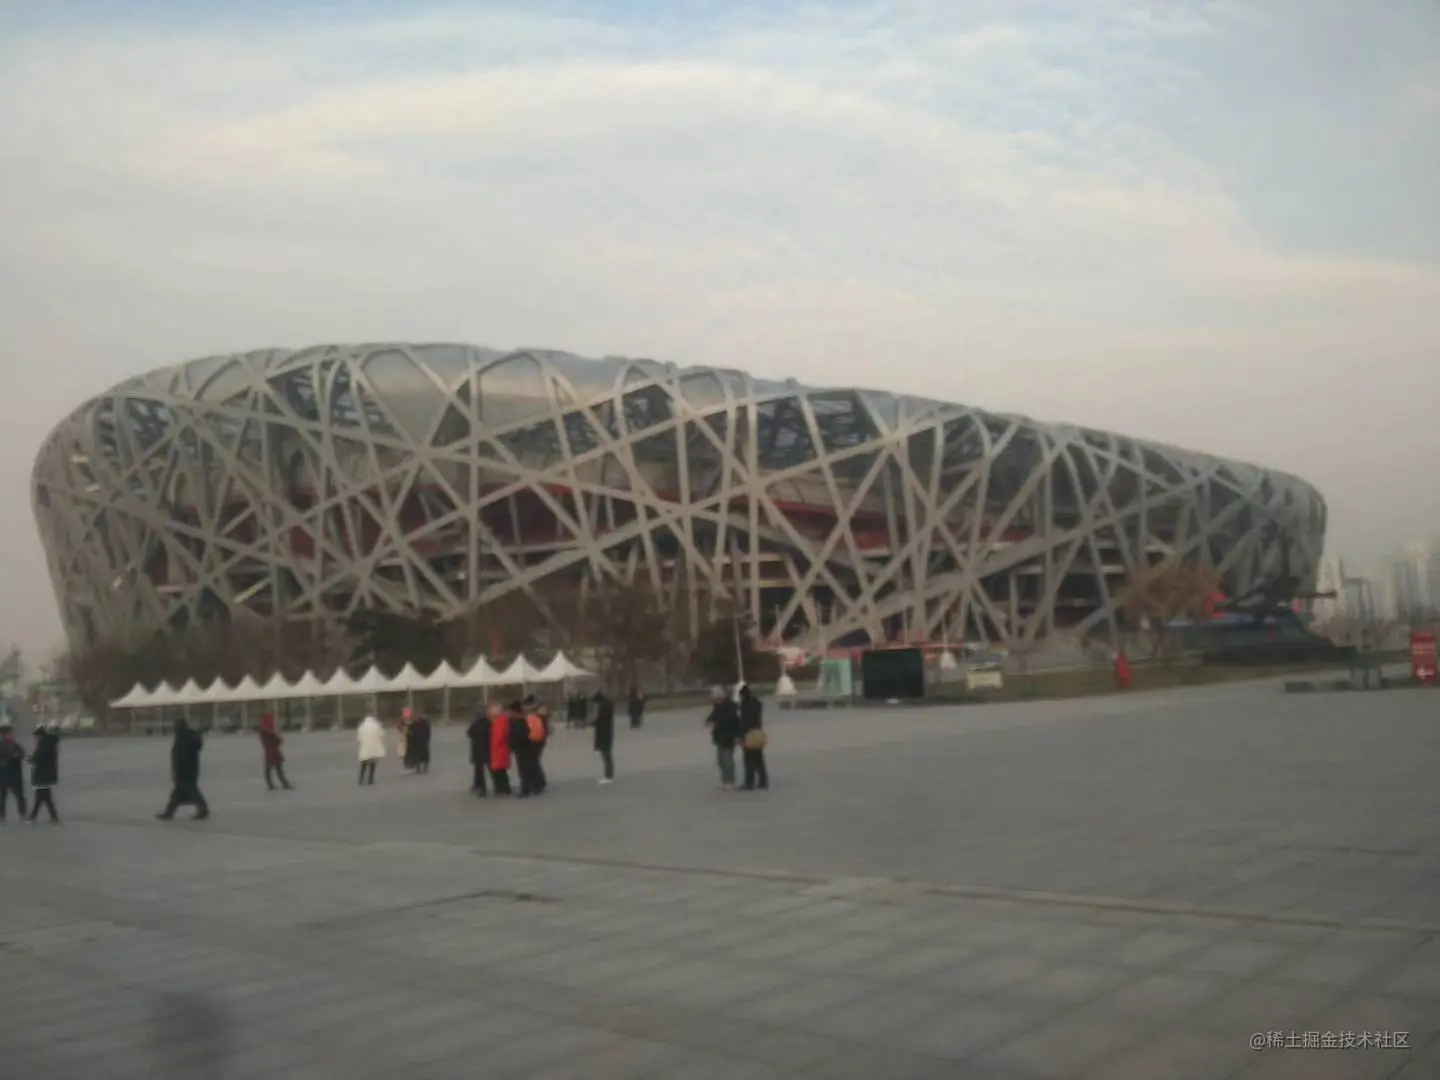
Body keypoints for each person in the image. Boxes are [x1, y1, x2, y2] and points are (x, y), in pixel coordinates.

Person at [157, 717, 209, 820]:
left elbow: (181, 756)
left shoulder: (183, 738)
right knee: (178, 793)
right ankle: (169, 812)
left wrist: (177, 771)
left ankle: (203, 809)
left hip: (184, 770)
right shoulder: (189, 736)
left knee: (190, 790)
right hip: (191, 768)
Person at [703, 686, 740, 791]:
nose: (716, 699)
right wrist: (708, 721)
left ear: (722, 696)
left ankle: (731, 782)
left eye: (717, 697)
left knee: (728, 761)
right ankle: (725, 781)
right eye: (714, 698)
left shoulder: (731, 706)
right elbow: (713, 716)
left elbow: (731, 721)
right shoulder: (717, 707)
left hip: (729, 736)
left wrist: (716, 724)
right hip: (720, 737)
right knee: (721, 761)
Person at [737, 683, 769, 791]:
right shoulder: (757, 704)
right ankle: (763, 781)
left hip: (748, 735)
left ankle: (749, 782)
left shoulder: (745, 706)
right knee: (758, 759)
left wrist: (740, 736)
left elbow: (744, 722)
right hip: (757, 734)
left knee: (748, 759)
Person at [28, 723, 61, 824]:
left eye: (36, 737)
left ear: (40, 736)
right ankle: (53, 817)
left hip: (42, 774)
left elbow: (39, 757)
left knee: (40, 797)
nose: (35, 739)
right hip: (46, 774)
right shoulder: (49, 744)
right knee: (45, 797)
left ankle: (32, 817)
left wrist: (31, 759)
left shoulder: (44, 745)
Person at [0, 724, 28, 823]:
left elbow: (22, 753)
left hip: (15, 775)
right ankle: (2, 817)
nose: (12, 735)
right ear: (4, 735)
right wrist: (8, 759)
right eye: (10, 733)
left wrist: (15, 756)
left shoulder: (15, 745)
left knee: (20, 796)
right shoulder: (1, 745)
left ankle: (22, 814)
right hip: (3, 775)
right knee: (2, 797)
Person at [259, 714, 292, 791]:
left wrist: (277, 736)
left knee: (272, 770)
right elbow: (275, 743)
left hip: (271, 753)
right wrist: (277, 736)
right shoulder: (267, 733)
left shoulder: (265, 733)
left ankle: (274, 785)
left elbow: (275, 743)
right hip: (273, 753)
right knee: (276, 770)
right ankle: (283, 784)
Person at [466, 707, 491, 797]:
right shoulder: (488, 723)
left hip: (478, 749)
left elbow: (469, 733)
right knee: (481, 769)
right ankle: (479, 785)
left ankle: (481, 788)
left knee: (479, 770)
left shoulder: (476, 723)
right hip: (486, 749)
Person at [488, 704, 513, 795]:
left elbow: (500, 735)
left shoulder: (500, 720)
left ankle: (503, 788)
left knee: (499, 770)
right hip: (499, 749)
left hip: (499, 749)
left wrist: (494, 744)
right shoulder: (500, 720)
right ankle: (503, 788)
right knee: (500, 770)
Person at [593, 689, 616, 785]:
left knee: (606, 756)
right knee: (607, 756)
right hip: (606, 734)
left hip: (604, 735)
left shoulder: (604, 708)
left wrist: (594, 723)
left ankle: (608, 776)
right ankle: (609, 775)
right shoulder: (607, 707)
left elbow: (601, 721)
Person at [356, 713, 385, 785]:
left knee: (364, 764)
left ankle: (361, 779)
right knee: (373, 764)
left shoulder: (362, 726)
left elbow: (359, 737)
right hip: (374, 747)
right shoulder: (376, 725)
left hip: (365, 747)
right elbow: (381, 734)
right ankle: (370, 779)